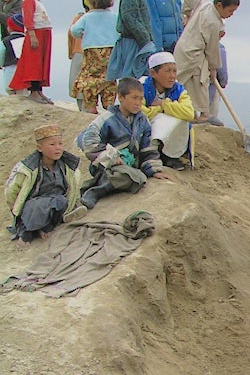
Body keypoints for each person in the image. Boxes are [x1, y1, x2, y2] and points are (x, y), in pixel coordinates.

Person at [76, 76, 168, 208]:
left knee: (138, 177)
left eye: (140, 99)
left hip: (129, 165)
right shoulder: (107, 118)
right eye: (134, 98)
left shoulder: (143, 121)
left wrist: (154, 170)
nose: (138, 103)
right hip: (108, 165)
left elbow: (148, 148)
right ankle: (93, 191)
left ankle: (111, 183)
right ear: (121, 97)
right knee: (130, 177)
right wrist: (112, 156)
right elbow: (89, 142)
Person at [5, 124, 86, 244]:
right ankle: (26, 231)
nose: (58, 148)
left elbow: (73, 188)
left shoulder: (68, 167)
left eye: (60, 144)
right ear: (39, 148)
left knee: (61, 202)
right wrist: (15, 209)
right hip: (34, 205)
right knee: (37, 206)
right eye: (52, 144)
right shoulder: (27, 169)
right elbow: (11, 190)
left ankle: (48, 225)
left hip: (56, 203)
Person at [174, 0, 239, 124]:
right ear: (219, 5)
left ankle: (192, 112)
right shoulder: (213, 23)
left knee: (184, 81)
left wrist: (186, 15)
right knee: (200, 81)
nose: (231, 14)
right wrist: (214, 68)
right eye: (230, 11)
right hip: (194, 53)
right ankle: (203, 113)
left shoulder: (204, 3)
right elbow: (212, 49)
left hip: (182, 47)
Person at [70, 0, 119, 114]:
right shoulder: (114, 16)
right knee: (109, 78)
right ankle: (109, 105)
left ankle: (91, 107)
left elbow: (74, 30)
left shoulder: (87, 17)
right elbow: (121, 30)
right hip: (110, 51)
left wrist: (81, 34)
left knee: (89, 78)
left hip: (91, 51)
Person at [141, 51, 194, 170]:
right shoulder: (142, 87)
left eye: (174, 71)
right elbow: (141, 112)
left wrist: (164, 105)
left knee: (181, 120)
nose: (172, 76)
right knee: (162, 118)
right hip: (146, 131)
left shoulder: (178, 89)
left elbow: (189, 113)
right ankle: (150, 154)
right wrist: (162, 110)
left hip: (169, 137)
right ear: (153, 73)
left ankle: (170, 156)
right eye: (167, 71)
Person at [9, 0, 53, 104]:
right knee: (34, 64)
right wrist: (32, 36)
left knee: (41, 63)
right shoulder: (28, 1)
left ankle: (39, 91)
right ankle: (33, 91)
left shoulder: (38, 2)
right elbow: (28, 19)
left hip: (44, 34)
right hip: (36, 34)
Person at [106, 0, 155, 81]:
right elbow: (130, 18)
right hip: (134, 43)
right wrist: (146, 40)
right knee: (132, 76)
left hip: (137, 42)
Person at [0, 0, 22, 93]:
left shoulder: (18, 3)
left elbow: (11, 19)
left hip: (15, 39)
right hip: (3, 38)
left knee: (13, 65)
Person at [68, 0, 87, 109]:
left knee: (78, 81)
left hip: (79, 52)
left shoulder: (79, 18)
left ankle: (83, 108)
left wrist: (70, 52)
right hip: (83, 52)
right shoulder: (80, 17)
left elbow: (70, 34)